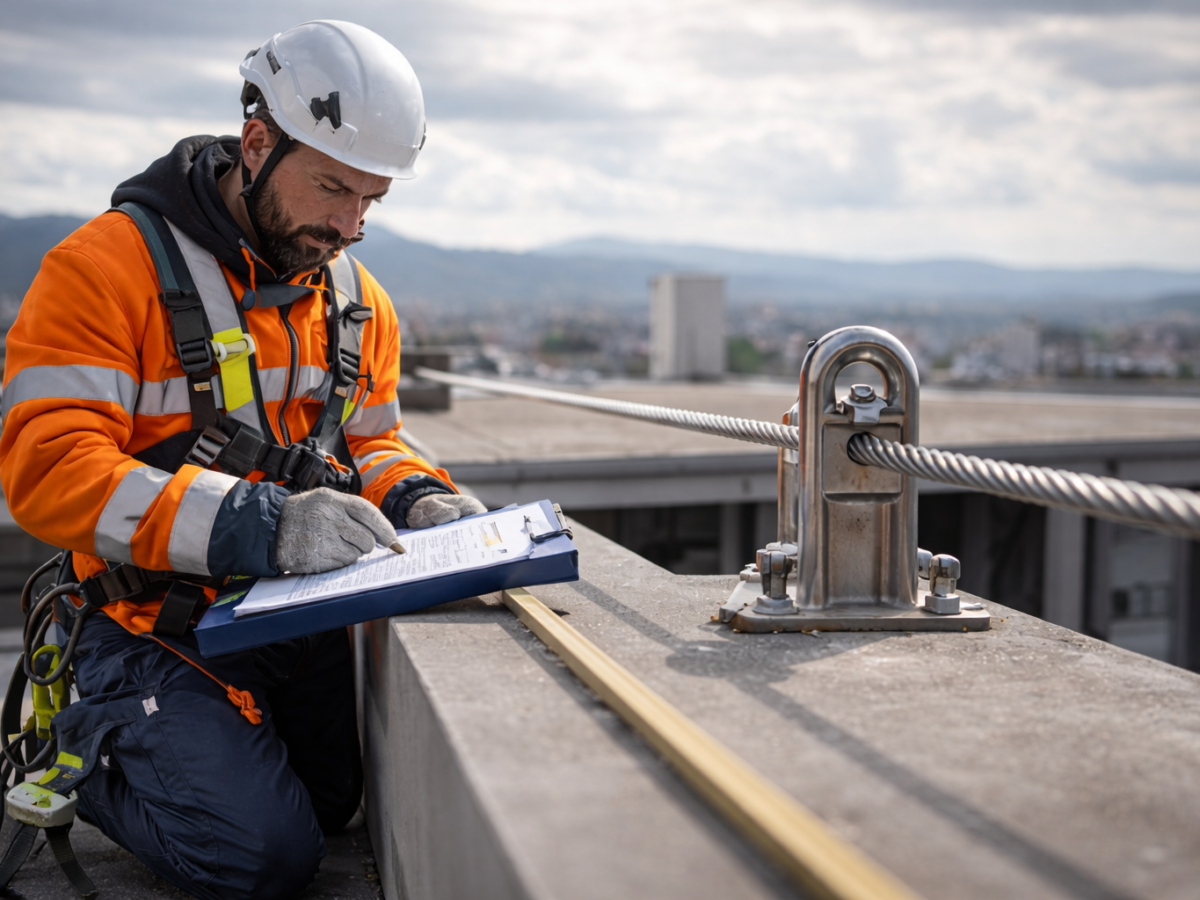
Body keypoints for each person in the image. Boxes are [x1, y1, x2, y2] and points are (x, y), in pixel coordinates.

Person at [0, 20, 484, 899]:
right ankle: (82, 748)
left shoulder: (355, 302)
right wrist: (261, 523)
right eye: (333, 188)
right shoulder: (102, 271)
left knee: (333, 804)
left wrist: (416, 496)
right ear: (256, 143)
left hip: (279, 619)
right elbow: (47, 468)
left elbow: (367, 440)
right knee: (259, 857)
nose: (349, 225)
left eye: (371, 200)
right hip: (147, 624)